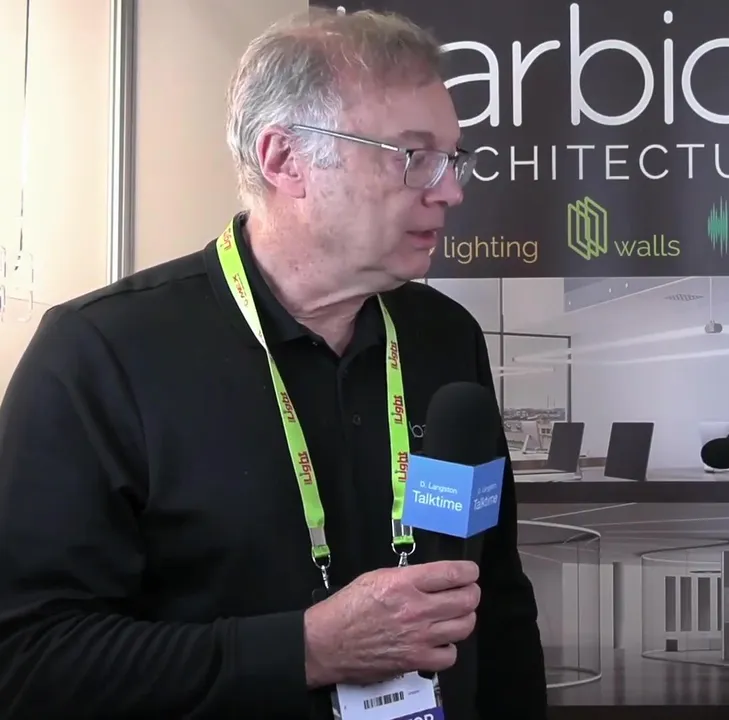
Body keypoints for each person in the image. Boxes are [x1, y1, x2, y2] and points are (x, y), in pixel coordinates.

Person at [0, 8, 546, 720]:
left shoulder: (445, 340)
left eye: (454, 158)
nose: (451, 190)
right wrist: (305, 649)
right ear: (286, 160)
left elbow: (496, 599)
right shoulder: (97, 356)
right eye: (413, 156)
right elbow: (30, 661)